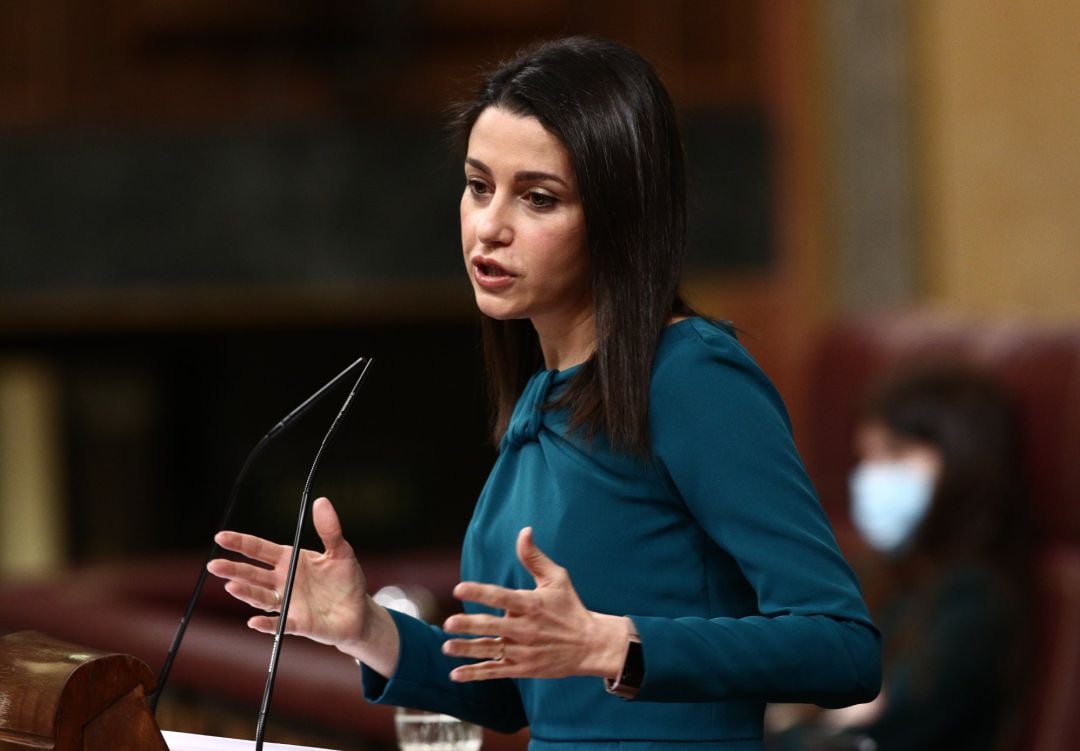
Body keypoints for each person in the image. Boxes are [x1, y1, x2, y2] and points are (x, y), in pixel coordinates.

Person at [208, 36, 880, 750]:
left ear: (620, 218)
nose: (489, 226)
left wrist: (616, 643)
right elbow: (506, 692)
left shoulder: (691, 376)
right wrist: (365, 627)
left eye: (537, 198)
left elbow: (842, 647)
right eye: (477, 186)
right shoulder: (543, 398)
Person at [767, 364, 1033, 751]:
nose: (873, 477)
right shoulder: (877, 572)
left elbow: (877, 728)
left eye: (896, 453)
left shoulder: (976, 600)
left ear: (964, 458)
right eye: (868, 457)